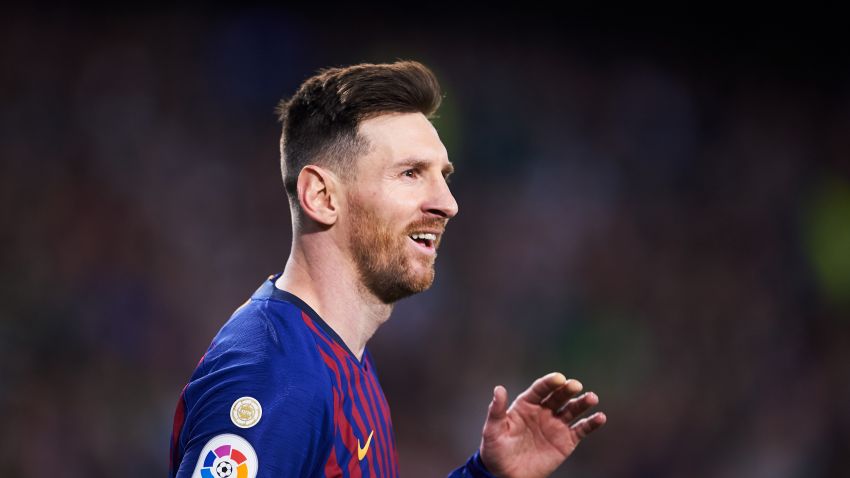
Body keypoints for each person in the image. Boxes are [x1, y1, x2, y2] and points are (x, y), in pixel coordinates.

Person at [168, 60, 606, 478]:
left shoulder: (338, 355)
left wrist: (487, 475)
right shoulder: (277, 377)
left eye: (444, 176)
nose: (448, 204)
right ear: (321, 197)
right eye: (411, 173)